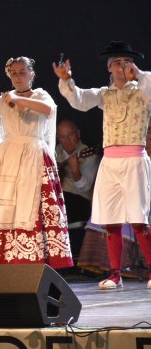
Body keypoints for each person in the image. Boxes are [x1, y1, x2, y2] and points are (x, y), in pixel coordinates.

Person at [54, 40, 151, 289]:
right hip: (110, 162)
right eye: (116, 62)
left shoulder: (142, 89)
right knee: (110, 220)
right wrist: (66, 80)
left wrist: (138, 74)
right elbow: (79, 99)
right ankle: (114, 274)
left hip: (134, 160)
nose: (121, 67)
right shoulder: (104, 95)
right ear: (109, 67)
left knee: (139, 220)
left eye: (126, 62)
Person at [0, 57, 73, 268]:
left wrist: (17, 101)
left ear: (32, 74)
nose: (18, 76)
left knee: (32, 207)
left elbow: (48, 109)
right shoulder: (2, 100)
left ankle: (33, 258)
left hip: (33, 156)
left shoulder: (40, 95)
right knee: (4, 208)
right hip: (8, 158)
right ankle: (3, 258)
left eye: (22, 72)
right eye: (14, 73)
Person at [55, 119, 100, 256]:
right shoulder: (53, 152)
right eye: (62, 137)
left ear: (78, 134)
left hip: (79, 202)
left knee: (60, 202)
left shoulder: (88, 154)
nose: (67, 140)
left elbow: (85, 189)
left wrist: (75, 172)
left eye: (70, 135)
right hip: (59, 199)